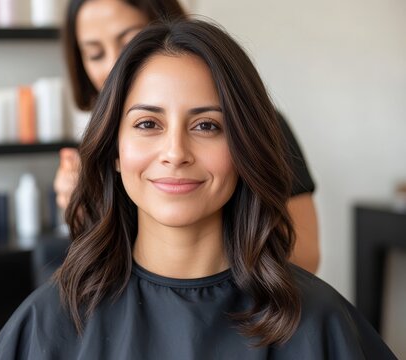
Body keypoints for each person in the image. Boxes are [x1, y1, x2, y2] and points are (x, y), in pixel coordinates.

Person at [0, 19, 395, 359]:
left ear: (243, 149)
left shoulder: (319, 322)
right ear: (114, 150)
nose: (175, 152)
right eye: (148, 124)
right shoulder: (51, 321)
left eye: (206, 126)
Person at [54, 0, 320, 273]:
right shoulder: (107, 146)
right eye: (95, 54)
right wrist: (87, 207)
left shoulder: (255, 125)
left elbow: (306, 256)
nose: (114, 64)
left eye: (206, 126)